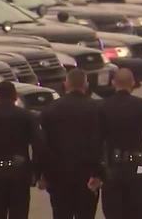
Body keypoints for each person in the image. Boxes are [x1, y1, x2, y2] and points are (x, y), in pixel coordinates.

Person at [40, 69, 103, 219]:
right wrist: (98, 173)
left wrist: (42, 174)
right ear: (85, 85)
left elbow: (43, 144)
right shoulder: (97, 109)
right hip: (87, 175)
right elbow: (100, 143)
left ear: (66, 84)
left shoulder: (50, 110)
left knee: (61, 214)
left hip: (58, 176)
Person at [99, 68, 142, 219]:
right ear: (133, 83)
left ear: (113, 83)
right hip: (138, 167)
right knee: (138, 210)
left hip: (113, 167)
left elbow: (97, 140)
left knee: (114, 211)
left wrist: (97, 171)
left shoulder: (103, 106)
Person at [0, 81, 45, 219]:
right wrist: (37, 171)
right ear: (15, 96)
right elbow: (39, 144)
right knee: (19, 213)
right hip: (20, 172)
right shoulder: (27, 116)